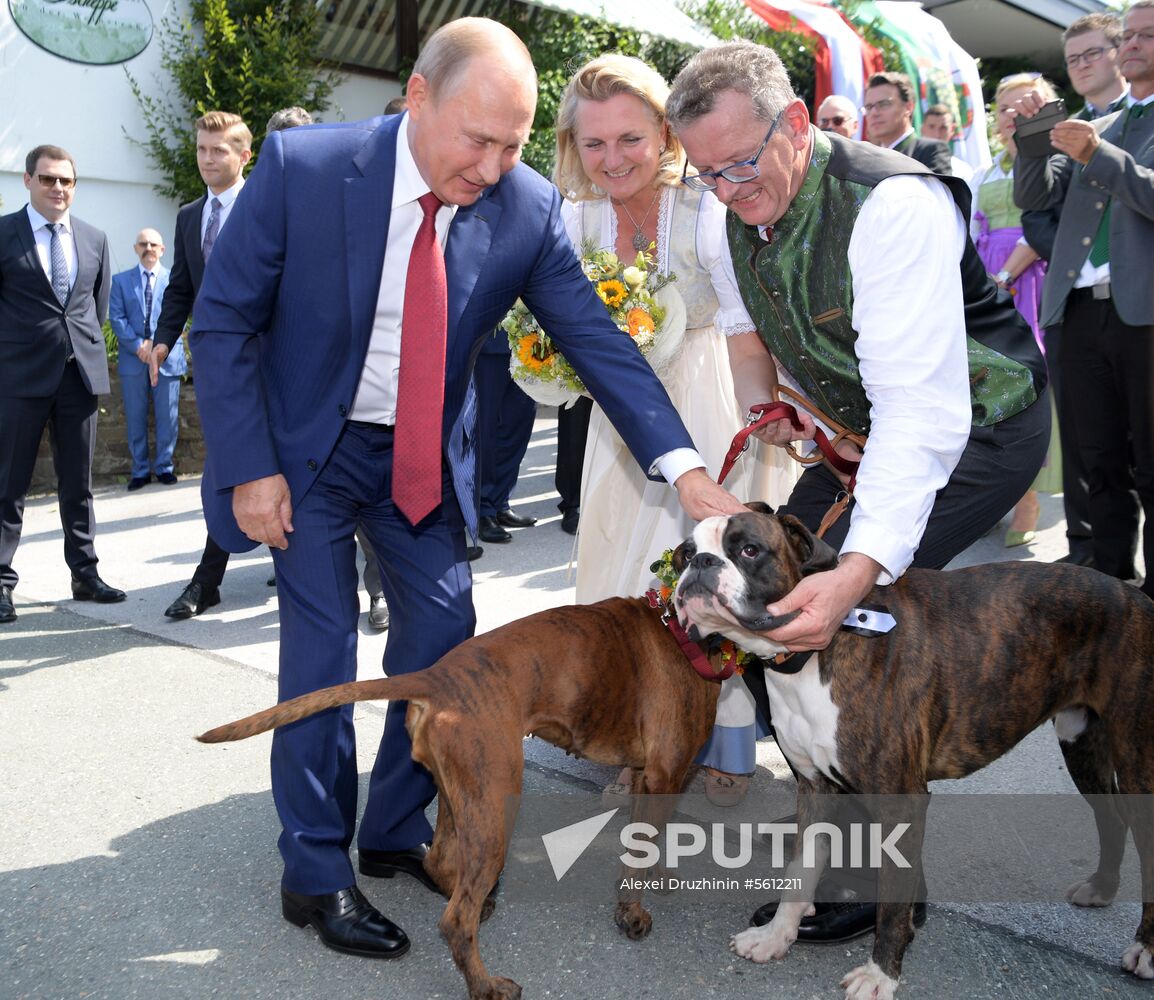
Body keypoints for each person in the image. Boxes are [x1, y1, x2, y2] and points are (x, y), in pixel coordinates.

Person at [188, 17, 743, 959]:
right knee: (324, 658)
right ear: (416, 96)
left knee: (446, 642)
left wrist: (684, 470)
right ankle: (314, 872)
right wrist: (249, 468)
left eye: (513, 144)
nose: (491, 166)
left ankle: (393, 830)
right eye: (475, 139)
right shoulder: (303, 170)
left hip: (413, 463)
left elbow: (599, 344)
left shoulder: (524, 207)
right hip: (306, 457)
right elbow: (224, 323)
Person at [667, 37, 1049, 942]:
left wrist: (856, 572)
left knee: (862, 611)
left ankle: (876, 880)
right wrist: (773, 413)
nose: (728, 190)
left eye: (744, 163)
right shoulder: (729, 207)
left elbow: (920, 415)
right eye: (709, 173)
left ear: (797, 124)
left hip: (977, 427)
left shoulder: (894, 205)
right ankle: (826, 810)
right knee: (770, 584)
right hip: (864, 429)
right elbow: (744, 329)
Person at [555, 53, 797, 807]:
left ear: (664, 132)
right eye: (593, 144)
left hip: (708, 400)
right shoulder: (572, 217)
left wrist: (764, 409)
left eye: (628, 139)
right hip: (621, 422)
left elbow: (741, 321)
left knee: (710, 579)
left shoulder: (706, 207)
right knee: (622, 577)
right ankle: (643, 742)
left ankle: (725, 739)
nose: (611, 159)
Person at [1014, 0, 1154, 600]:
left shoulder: (1110, 133)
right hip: (1076, 310)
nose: (1132, 45)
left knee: (1150, 461)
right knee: (1095, 460)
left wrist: (1097, 152)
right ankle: (1107, 590)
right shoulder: (1107, 123)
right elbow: (1035, 203)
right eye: (1130, 35)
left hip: (1142, 312)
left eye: (1147, 36)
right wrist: (1030, 141)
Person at [0, 145, 123, 625]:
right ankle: (2, 582)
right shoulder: (5, 234)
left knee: (79, 483)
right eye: (49, 179)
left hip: (79, 376)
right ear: (28, 180)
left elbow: (97, 305)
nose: (58, 189)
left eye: (66, 181)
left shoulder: (93, 238)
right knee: (8, 483)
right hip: (18, 378)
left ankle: (85, 574)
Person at [150, 111, 252, 621]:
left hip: (271, 363)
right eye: (202, 150)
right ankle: (208, 581)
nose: (208, 159)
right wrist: (164, 340)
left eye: (219, 151)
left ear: (244, 156)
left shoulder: (266, 206)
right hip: (216, 367)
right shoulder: (190, 215)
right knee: (226, 469)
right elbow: (182, 288)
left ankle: (371, 584)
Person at [971, 74, 1061, 547]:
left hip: (1028, 282)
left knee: (1026, 382)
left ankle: (1029, 495)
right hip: (986, 283)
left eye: (1022, 107)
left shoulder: (1053, 164)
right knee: (986, 385)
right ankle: (996, 490)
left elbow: (1039, 228)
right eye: (1003, 108)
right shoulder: (982, 174)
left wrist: (1003, 278)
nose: (1010, 116)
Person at [110, 228, 185, 491]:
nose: (149, 248)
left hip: (167, 358)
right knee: (135, 416)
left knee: (168, 416)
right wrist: (138, 346)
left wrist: (156, 343)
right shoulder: (120, 281)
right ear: (136, 248)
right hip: (134, 360)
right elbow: (116, 318)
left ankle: (165, 467)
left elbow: (179, 311)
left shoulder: (175, 279)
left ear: (162, 249)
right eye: (143, 243)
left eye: (154, 244)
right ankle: (140, 470)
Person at [475, 330, 538, 545]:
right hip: (490, 339)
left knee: (519, 424)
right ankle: (483, 509)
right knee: (485, 427)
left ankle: (500, 501)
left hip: (529, 341)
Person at [862, 71, 953, 175]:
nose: (874, 113)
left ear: (908, 107)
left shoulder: (930, 151)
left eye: (883, 104)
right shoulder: (867, 158)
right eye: (868, 107)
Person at [921, 102, 974, 182]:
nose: (937, 134)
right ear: (922, 129)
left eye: (943, 127)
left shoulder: (963, 171)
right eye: (931, 127)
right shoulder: (910, 165)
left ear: (952, 129)